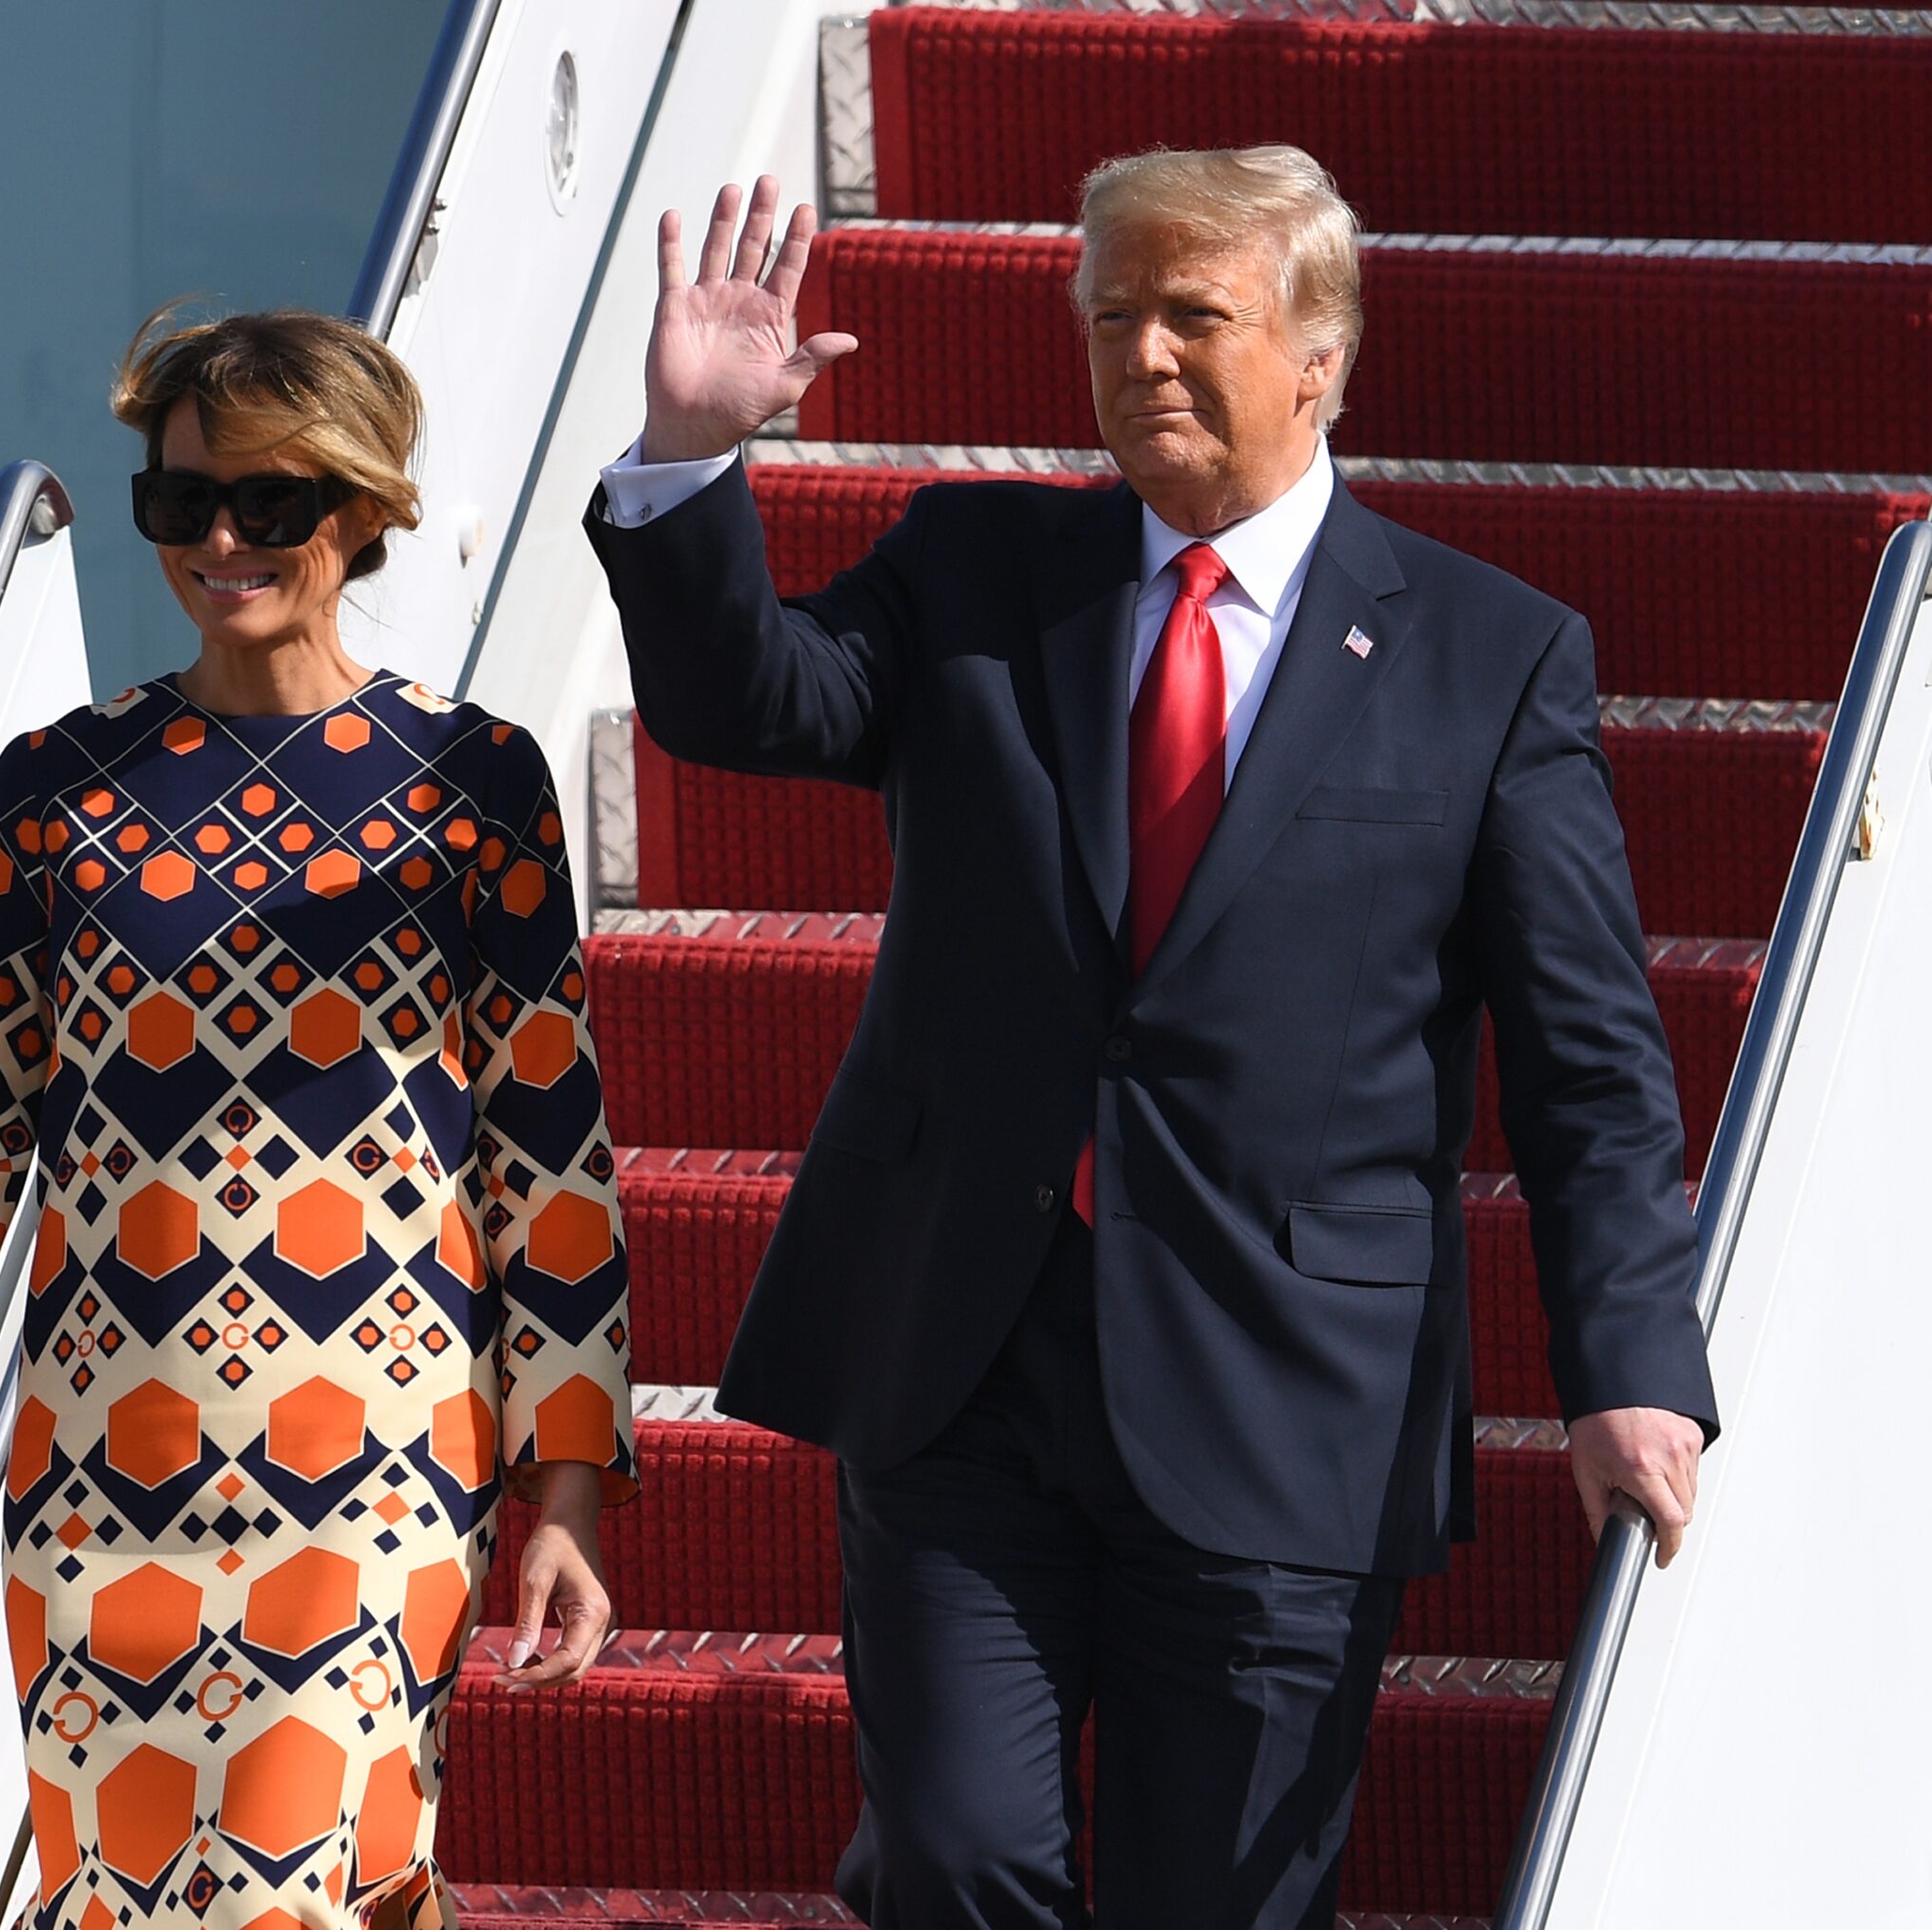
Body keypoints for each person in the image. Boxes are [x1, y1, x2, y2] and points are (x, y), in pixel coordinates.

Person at [583, 150, 1716, 1928]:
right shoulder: (978, 563)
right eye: (1113, 317)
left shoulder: (1489, 658)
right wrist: (692, 453)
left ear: (1324, 350)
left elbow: (1589, 1061)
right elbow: (750, 705)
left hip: (1282, 1393)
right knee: (952, 1862)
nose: (1145, 356)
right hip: (965, 1353)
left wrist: (1627, 1358)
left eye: (1197, 316)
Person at [0, 306, 637, 1930]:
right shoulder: (54, 785)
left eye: (270, 504)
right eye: (180, 504)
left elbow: (546, 1158)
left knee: (298, 1879)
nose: (219, 542)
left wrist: (563, 1488)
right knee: (139, 1898)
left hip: (369, 1465)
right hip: (100, 1475)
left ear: (363, 513)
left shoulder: (473, 778)